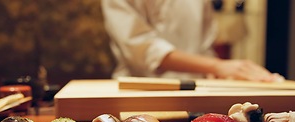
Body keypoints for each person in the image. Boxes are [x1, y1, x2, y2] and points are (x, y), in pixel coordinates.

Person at [101, 0, 283, 82]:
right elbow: (141, 48)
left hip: (196, 93)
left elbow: (204, 45)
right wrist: (217, 66)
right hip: (141, 94)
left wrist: (225, 75)